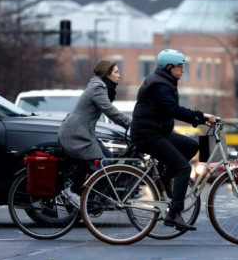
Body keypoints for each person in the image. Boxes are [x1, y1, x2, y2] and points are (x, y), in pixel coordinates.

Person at [130, 49, 216, 231]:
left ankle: (164, 177)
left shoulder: (164, 81)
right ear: (169, 67)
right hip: (148, 135)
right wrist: (201, 117)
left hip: (158, 132)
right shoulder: (159, 85)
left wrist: (200, 117)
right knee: (183, 168)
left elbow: (171, 109)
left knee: (191, 145)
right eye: (180, 66)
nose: (182, 70)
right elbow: (173, 110)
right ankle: (174, 213)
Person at [58, 60, 132, 207]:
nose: (119, 75)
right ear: (107, 73)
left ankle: (89, 197)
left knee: (108, 160)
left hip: (82, 133)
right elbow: (110, 111)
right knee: (100, 167)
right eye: (116, 72)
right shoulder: (98, 87)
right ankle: (72, 191)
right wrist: (133, 123)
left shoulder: (100, 86)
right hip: (75, 135)